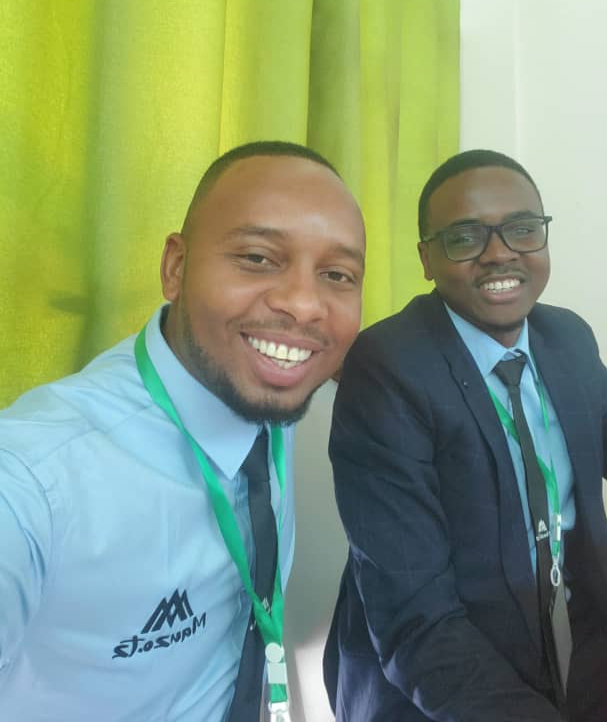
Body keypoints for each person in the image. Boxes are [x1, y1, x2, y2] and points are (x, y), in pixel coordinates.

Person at [0, 140, 365, 722]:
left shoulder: (266, 378)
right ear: (175, 267)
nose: (304, 305)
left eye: (337, 275)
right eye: (257, 258)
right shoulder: (31, 481)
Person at [323, 148, 607, 722]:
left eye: (522, 229)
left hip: (578, 643)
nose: (499, 253)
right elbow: (418, 621)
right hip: (447, 673)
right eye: (465, 237)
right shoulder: (390, 367)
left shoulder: (565, 339)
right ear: (426, 258)